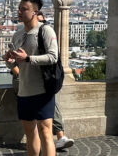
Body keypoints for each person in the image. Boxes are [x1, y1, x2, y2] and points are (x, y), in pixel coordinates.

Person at [4, 0, 59, 156]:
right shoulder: (18, 34)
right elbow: (15, 64)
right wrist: (9, 60)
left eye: (24, 9)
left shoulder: (46, 31)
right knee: (30, 135)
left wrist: (28, 58)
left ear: (35, 11)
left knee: (45, 131)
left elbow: (53, 56)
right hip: (24, 90)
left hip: (43, 90)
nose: (19, 11)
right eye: (19, 8)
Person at [35, 11, 73, 152]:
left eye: (42, 23)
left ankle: (57, 139)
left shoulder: (47, 38)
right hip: (29, 83)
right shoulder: (24, 36)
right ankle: (55, 139)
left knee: (50, 106)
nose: (41, 26)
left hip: (44, 82)